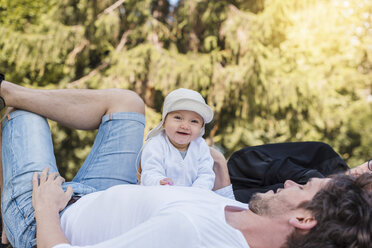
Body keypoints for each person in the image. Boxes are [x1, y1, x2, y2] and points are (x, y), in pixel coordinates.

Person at [1, 78, 372, 247]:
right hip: (110, 190)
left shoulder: (189, 236)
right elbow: (216, 194)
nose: (292, 182)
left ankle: (8, 222)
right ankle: (10, 90)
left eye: (303, 187)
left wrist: (46, 210)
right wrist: (221, 169)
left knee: (26, 117)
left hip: (49, 214)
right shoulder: (252, 217)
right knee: (128, 103)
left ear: (304, 219)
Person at [140, 88, 215, 190]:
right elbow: (150, 171)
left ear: (201, 128)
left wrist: (198, 190)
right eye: (178, 118)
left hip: (193, 198)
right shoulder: (156, 144)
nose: (185, 126)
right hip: (162, 195)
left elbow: (206, 174)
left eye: (194, 121)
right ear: (164, 122)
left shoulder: (201, 146)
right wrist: (159, 181)